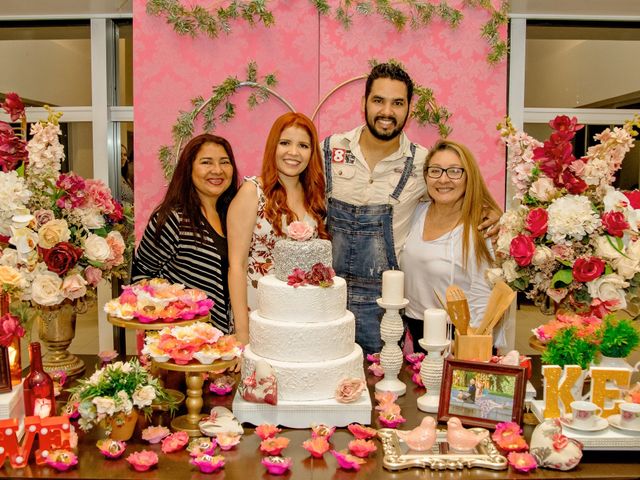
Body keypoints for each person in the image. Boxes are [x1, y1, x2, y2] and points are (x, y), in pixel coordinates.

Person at [322, 63, 500, 355]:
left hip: (382, 306)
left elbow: (457, 186)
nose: (387, 112)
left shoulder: (422, 163)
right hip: (327, 295)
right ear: (364, 102)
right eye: (378, 100)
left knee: (379, 382)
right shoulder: (329, 150)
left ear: (409, 109)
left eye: (398, 103)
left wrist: (494, 213)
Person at [227, 112, 328, 345]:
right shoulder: (252, 192)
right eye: (285, 143)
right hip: (259, 311)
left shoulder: (316, 199)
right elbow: (237, 266)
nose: (293, 152)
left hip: (301, 316)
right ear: (273, 146)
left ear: (312, 153)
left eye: (303, 145)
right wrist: (242, 332)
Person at [401, 139, 510, 352]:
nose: (443, 179)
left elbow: (484, 295)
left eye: (454, 171)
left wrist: (469, 342)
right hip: (417, 328)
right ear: (426, 176)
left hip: (461, 335)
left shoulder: (481, 226)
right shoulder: (415, 213)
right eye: (435, 171)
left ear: (468, 177)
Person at [132, 133, 238, 333]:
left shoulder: (232, 216)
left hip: (226, 339)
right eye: (206, 162)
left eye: (225, 162)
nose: (217, 170)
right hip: (182, 339)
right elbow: (141, 278)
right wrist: (175, 311)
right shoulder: (173, 218)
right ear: (189, 169)